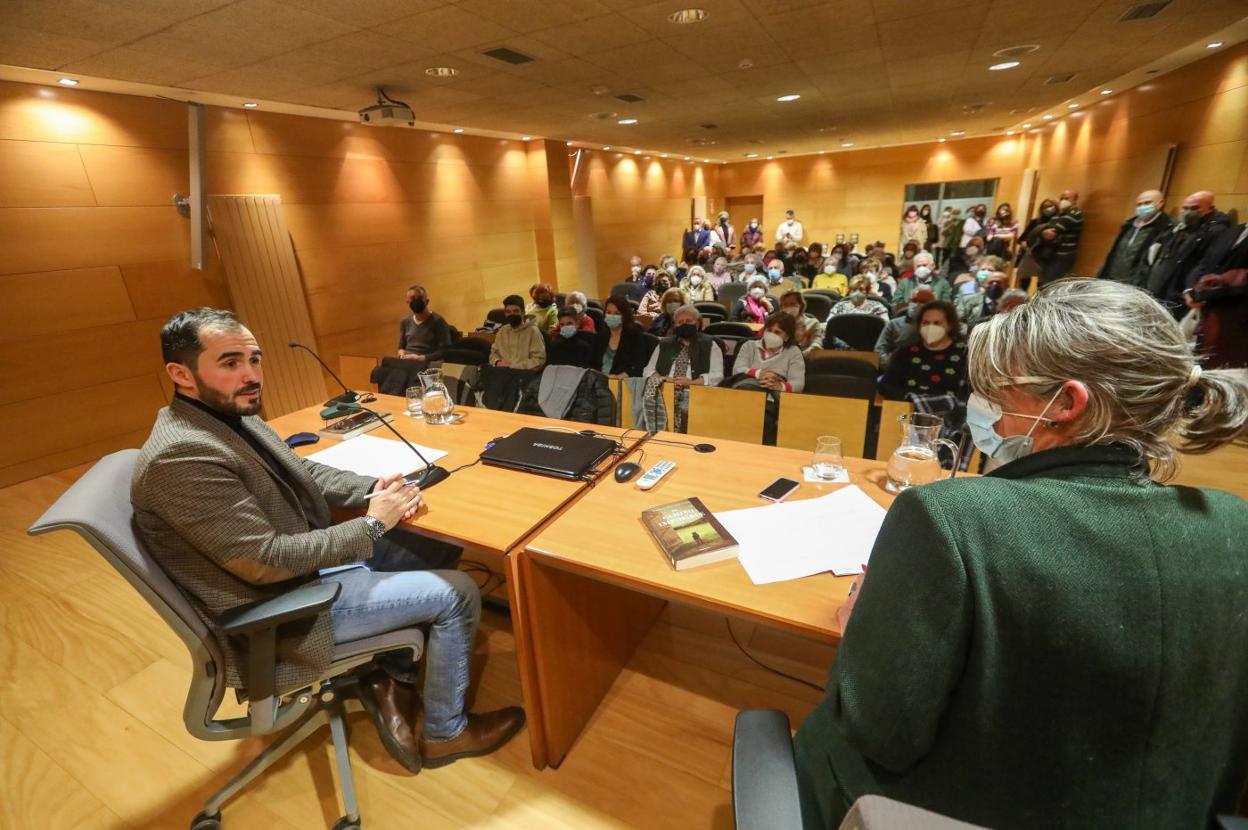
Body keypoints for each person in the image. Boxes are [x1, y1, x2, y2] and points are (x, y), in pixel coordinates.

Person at [793, 278, 1248, 830]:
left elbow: (876, 729)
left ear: (1066, 403)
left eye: (1001, 390)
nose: (990, 411)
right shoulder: (1235, 522)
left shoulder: (947, 517)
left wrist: (868, 619)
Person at [132, 308, 525, 775]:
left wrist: (371, 490)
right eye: (231, 362)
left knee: (432, 539)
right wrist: (372, 524)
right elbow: (264, 563)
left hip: (300, 572)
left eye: (255, 359)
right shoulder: (183, 456)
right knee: (457, 594)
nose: (251, 375)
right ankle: (446, 732)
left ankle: (392, 676)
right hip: (282, 609)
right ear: (181, 374)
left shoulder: (226, 413)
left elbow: (302, 471)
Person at [1146, 190, 1234, 317]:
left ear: (1210, 208)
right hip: (1162, 289)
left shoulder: (1217, 232)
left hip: (1181, 294)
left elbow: (1206, 264)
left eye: (1194, 208)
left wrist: (1190, 289)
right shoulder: (1182, 227)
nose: (1188, 212)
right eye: (1185, 208)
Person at [643, 305, 725, 430]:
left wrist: (692, 383)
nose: (684, 324)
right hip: (665, 392)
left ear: (697, 324)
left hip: (695, 395)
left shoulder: (710, 344)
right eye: (680, 322)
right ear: (675, 326)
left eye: (688, 321)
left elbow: (718, 375)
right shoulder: (664, 344)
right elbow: (648, 371)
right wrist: (664, 379)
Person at [878, 300, 968, 400]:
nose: (930, 327)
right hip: (908, 413)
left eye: (937, 323)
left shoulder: (965, 354)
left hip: (952, 413)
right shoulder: (905, 352)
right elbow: (886, 386)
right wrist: (912, 399)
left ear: (950, 325)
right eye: (925, 323)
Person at [1096, 190, 1173, 285]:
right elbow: (1114, 253)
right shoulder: (1128, 225)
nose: (1142, 207)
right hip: (1112, 279)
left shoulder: (1166, 229)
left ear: (1160, 203)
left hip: (1135, 284)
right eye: (1139, 204)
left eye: (1147, 203)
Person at [734, 312, 806, 392]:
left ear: (787, 337)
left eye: (777, 332)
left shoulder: (794, 352)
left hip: (776, 396)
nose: (771, 334)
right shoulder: (749, 345)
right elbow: (737, 369)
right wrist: (759, 373)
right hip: (746, 390)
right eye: (769, 330)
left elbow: (798, 384)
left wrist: (780, 386)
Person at [875, 285, 934, 369]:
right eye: (914, 301)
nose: (917, 304)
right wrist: (895, 365)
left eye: (923, 301)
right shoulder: (894, 324)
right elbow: (879, 351)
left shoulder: (943, 327)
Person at [596, 295, 650, 377]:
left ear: (624, 316)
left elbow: (638, 365)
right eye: (608, 312)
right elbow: (591, 364)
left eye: (616, 313)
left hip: (623, 383)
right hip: (598, 382)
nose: (612, 316)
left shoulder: (634, 336)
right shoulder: (600, 336)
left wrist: (621, 376)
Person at [398, 284, 453, 363]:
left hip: (427, 363)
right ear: (408, 302)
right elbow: (401, 347)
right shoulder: (405, 321)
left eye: (420, 298)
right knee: (382, 368)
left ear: (427, 301)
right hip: (407, 362)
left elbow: (445, 351)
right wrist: (401, 354)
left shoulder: (438, 321)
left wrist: (422, 358)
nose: (416, 301)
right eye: (413, 298)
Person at [489, 295, 546, 369]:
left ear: (523, 312)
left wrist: (513, 366)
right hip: (503, 373)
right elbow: (493, 353)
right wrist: (497, 362)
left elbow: (539, 360)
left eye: (515, 311)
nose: (512, 314)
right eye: (508, 312)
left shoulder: (533, 331)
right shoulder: (502, 331)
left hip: (524, 375)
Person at [1043, 189, 1084, 282]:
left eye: (1066, 198)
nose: (1063, 201)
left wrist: (1045, 231)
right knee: (1046, 281)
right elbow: (1047, 227)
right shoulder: (1061, 214)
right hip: (1053, 254)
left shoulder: (1074, 214)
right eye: (1061, 198)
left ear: (1075, 200)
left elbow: (1050, 234)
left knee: (1051, 283)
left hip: (1063, 255)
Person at [779, 290, 827, 355]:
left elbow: (816, 345)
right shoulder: (776, 324)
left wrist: (799, 357)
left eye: (792, 304)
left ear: (801, 305)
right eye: (785, 304)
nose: (788, 307)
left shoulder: (813, 323)